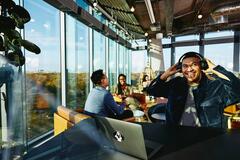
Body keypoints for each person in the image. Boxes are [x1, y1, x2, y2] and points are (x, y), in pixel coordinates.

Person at [147, 51, 240, 129]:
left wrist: (215, 68)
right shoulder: (176, 84)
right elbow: (152, 90)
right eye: (185, 66)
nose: (189, 69)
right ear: (180, 68)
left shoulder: (216, 86)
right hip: (176, 135)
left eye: (194, 65)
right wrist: (165, 74)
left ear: (202, 66)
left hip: (207, 138)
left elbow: (237, 92)